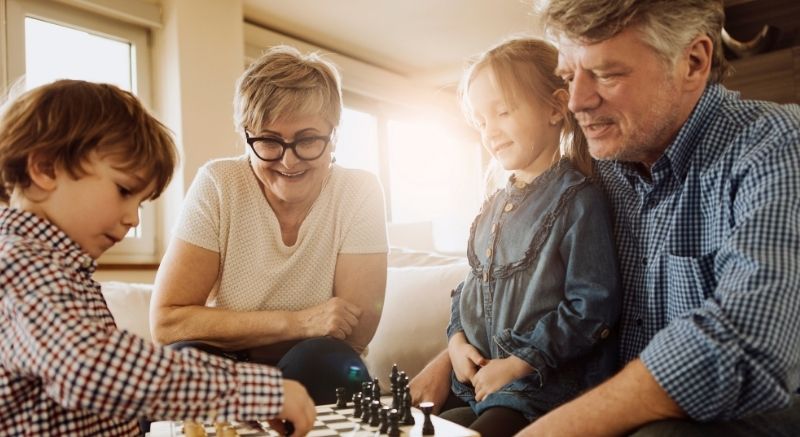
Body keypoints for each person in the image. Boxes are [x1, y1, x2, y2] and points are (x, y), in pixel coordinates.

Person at [515, 1, 800, 435]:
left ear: (693, 61)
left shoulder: (777, 144)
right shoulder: (603, 167)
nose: (577, 102)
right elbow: (527, 278)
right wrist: (451, 357)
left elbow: (749, 343)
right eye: (569, 77)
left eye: (607, 74)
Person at [0, 79, 315, 436]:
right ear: (44, 168)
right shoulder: (21, 265)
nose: (133, 218)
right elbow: (90, 368)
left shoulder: (56, 268)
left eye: (140, 202)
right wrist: (254, 392)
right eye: (123, 191)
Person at [150, 45, 388, 405]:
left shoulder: (359, 190)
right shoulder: (218, 183)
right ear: (247, 137)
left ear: (334, 135)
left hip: (316, 369)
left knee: (323, 359)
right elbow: (167, 324)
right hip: (229, 367)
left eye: (307, 140)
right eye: (269, 141)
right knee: (184, 361)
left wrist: (237, 328)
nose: (288, 161)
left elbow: (352, 331)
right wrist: (300, 323)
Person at [424, 37, 622, 437]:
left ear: (554, 107)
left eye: (502, 112)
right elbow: (469, 289)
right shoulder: (491, 204)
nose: (489, 131)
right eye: (480, 121)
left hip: (543, 390)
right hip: (481, 389)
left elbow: (593, 307)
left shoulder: (578, 200)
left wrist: (520, 362)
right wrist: (456, 341)